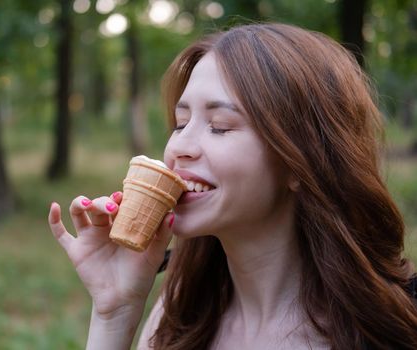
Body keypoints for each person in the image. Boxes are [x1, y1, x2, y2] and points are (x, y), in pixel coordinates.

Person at [48, 23, 417, 349]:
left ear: (299, 162)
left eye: (220, 125)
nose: (178, 148)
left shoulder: (394, 328)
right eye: (180, 123)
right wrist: (115, 313)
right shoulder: (177, 316)